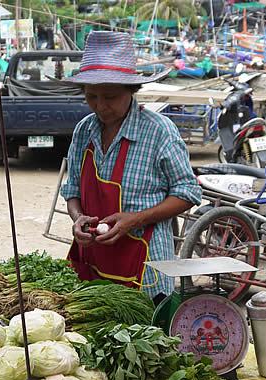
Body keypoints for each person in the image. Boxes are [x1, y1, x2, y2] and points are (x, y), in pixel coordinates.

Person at [61, 31, 202, 305]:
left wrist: (135, 219)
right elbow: (73, 189)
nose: (100, 106)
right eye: (92, 97)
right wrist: (77, 218)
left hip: (145, 267)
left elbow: (188, 192)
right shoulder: (83, 131)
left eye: (110, 97)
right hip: (92, 264)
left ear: (132, 91)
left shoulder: (159, 131)